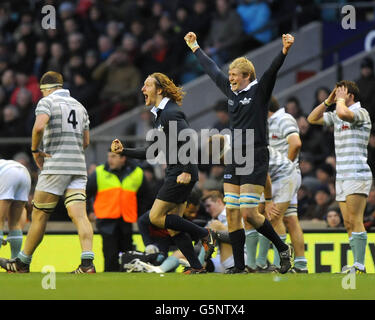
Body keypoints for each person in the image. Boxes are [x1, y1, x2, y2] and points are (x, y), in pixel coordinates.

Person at [184, 31, 295, 273]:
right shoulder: (231, 91)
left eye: (235, 75)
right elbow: (212, 70)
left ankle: (282, 248)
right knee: (232, 211)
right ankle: (240, 266)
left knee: (249, 214)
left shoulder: (259, 91)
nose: (230, 79)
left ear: (247, 77)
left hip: (256, 155)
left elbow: (272, 71)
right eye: (231, 75)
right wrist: (195, 47)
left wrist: (284, 50)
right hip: (235, 156)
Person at [111, 72, 216, 274]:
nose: (142, 89)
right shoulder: (161, 115)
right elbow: (152, 152)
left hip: (181, 172)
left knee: (156, 217)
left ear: (159, 90)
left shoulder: (170, 113)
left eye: (147, 85)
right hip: (177, 172)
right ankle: (196, 266)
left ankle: (206, 234)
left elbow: (189, 140)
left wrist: (185, 170)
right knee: (174, 226)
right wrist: (125, 151)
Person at [0, 71, 95, 273]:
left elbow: (39, 127)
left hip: (55, 165)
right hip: (78, 167)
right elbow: (86, 142)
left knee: (40, 215)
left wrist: (35, 151)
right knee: (80, 216)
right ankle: (87, 263)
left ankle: (22, 263)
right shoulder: (80, 106)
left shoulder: (47, 102)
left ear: (46, 89)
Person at [307, 80, 373, 274]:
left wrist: (340, 101)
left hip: (357, 172)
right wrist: (327, 102)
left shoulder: (361, 113)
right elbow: (312, 118)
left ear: (350, 95)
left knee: (355, 218)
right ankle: (356, 264)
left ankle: (359, 266)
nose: (336, 98)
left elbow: (344, 113)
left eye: (339, 94)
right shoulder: (337, 114)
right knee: (347, 222)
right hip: (342, 175)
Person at [263, 97, 308, 273]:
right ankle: (301, 265)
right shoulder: (269, 122)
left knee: (273, 218)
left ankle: (280, 263)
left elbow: (296, 143)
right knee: (290, 219)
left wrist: (287, 167)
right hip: (281, 178)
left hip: (284, 177)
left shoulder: (284, 119)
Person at [86, 150, 151, 272]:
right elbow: (86, 193)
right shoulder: (99, 172)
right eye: (109, 156)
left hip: (126, 220)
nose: (109, 159)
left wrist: (140, 214)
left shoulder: (137, 173)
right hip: (106, 221)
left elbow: (146, 196)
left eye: (113, 156)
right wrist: (89, 211)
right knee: (110, 255)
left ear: (123, 158)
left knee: (128, 256)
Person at [0, 160, 31, 258]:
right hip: (24, 173)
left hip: (7, 173)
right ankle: (14, 263)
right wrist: (13, 235)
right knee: (14, 224)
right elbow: (23, 211)